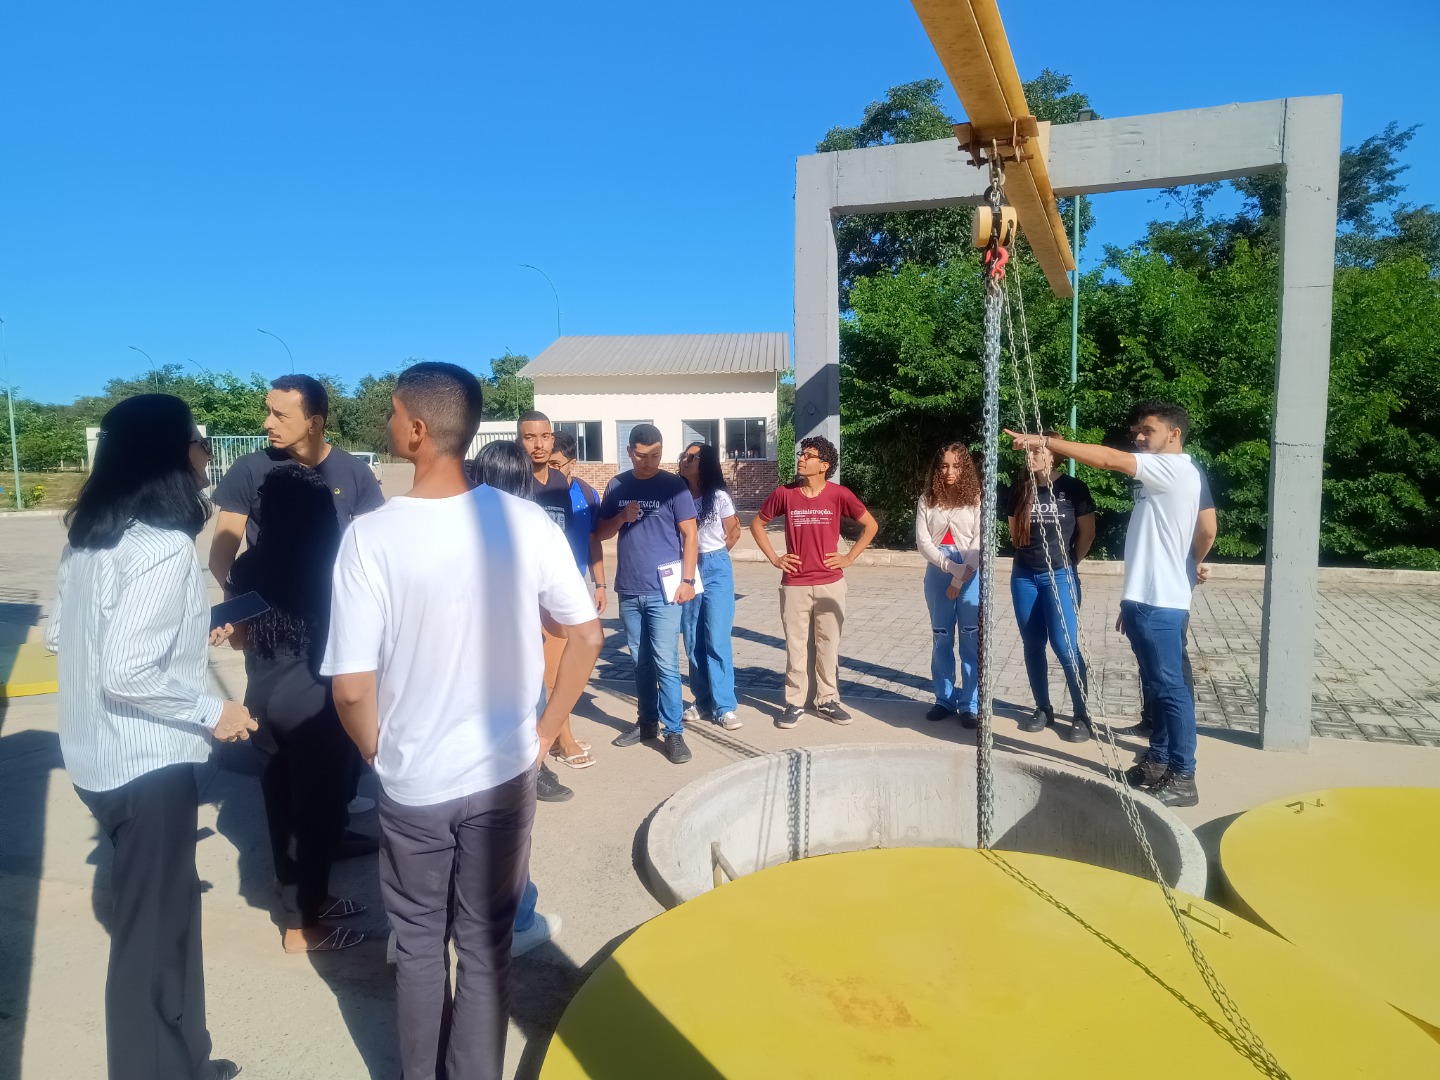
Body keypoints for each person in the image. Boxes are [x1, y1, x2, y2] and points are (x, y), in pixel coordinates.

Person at [323, 363, 602, 1080]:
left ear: (417, 430)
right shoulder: (527, 521)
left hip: (414, 781)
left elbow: (351, 688)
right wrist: (546, 732)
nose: (388, 424)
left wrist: (378, 752)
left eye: (392, 414)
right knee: (485, 945)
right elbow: (585, 635)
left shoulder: (371, 537)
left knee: (419, 946)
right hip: (504, 773)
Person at [46, 394, 255, 1080]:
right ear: (169, 454)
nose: (205, 452)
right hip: (148, 765)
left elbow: (67, 636)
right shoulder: (162, 548)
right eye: (198, 440)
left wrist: (189, 629)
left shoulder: (91, 539)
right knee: (154, 942)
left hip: (95, 757)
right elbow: (128, 671)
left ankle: (185, 1058)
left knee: (167, 925)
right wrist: (213, 710)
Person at [208, 373, 385, 839]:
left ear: (315, 422)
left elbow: (374, 551)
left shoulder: (353, 473)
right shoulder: (251, 469)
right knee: (280, 726)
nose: (267, 423)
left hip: (340, 624)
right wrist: (240, 611)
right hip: (277, 631)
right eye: (267, 411)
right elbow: (222, 553)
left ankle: (336, 809)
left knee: (342, 715)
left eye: (280, 414)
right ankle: (299, 827)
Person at [1006, 400, 1204, 807]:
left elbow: (1110, 460)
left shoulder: (1173, 468)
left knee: (1170, 689)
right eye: (1137, 432)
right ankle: (1159, 761)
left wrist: (1044, 440)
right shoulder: (1158, 477)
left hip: (1162, 602)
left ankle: (1184, 776)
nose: (1139, 438)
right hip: (1143, 599)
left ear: (1174, 434)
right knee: (1156, 686)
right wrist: (1130, 602)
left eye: (1148, 431)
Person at [225, 463, 364, 952]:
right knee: (319, 813)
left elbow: (238, 638)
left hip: (263, 698)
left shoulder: (247, 565)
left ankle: (311, 900)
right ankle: (301, 926)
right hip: (315, 700)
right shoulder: (338, 565)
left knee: (282, 808)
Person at [472, 440, 583, 802]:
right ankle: (528, 767)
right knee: (523, 702)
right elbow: (586, 632)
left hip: (510, 636)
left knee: (522, 700)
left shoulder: (533, 524)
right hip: (498, 638)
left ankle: (533, 768)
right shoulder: (527, 523)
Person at [750, 436, 879, 728]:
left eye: (808, 455)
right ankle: (794, 703)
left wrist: (848, 558)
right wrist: (775, 558)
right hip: (794, 583)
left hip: (830, 583)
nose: (801, 458)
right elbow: (758, 524)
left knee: (828, 645)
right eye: (801, 453)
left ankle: (827, 700)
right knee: (795, 646)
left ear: (824, 465)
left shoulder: (839, 494)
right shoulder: (785, 493)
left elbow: (871, 525)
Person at [595, 423, 700, 764]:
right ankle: (647, 723)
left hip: (665, 592)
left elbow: (691, 535)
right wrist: (621, 517)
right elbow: (600, 533)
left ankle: (674, 731)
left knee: (665, 663)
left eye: (655, 455)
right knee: (640, 663)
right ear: (629, 452)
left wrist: (687, 580)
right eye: (642, 456)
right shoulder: (617, 485)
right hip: (629, 588)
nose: (649, 462)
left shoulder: (673, 486)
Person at [1006, 435, 1096, 743]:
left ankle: (1082, 715)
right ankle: (1043, 708)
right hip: (1024, 576)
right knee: (1033, 644)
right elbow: (1014, 532)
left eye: (1037, 451)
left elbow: (1087, 534)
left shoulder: (1074, 488)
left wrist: (1069, 564)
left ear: (1053, 454)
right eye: (1028, 452)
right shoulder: (1021, 489)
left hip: (1059, 575)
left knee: (1064, 646)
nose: (1030, 456)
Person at [1118, 467, 1218, 737]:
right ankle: (1153, 723)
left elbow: (1207, 529)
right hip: (1142, 592)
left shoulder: (1184, 471)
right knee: (1150, 662)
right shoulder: (1146, 475)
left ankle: (1177, 735)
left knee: (1172, 668)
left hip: (1167, 594)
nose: (1139, 443)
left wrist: (1191, 563)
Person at [914, 442, 982, 727]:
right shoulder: (927, 500)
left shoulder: (976, 499)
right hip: (938, 571)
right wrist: (951, 569)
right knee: (941, 636)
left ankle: (970, 704)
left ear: (965, 468)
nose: (949, 471)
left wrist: (959, 576)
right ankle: (944, 699)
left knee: (970, 638)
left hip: (970, 571)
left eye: (956, 466)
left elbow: (979, 541)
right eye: (943, 466)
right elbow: (923, 542)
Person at [677, 442, 742, 730]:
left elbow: (734, 531)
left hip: (715, 567)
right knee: (692, 637)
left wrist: (716, 556)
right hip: (687, 568)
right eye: (685, 455)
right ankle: (702, 700)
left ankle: (725, 706)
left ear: (706, 463)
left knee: (716, 636)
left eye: (693, 457)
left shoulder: (718, 497)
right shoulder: (677, 495)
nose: (686, 460)